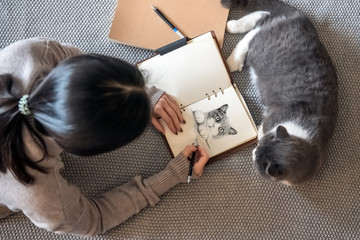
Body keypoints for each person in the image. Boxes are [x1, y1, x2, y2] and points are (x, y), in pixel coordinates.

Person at [0, 38, 209, 236]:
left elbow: (82, 64)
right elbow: (95, 220)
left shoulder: (28, 53)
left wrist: (136, 92)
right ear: (84, 151)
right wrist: (171, 176)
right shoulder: (40, 194)